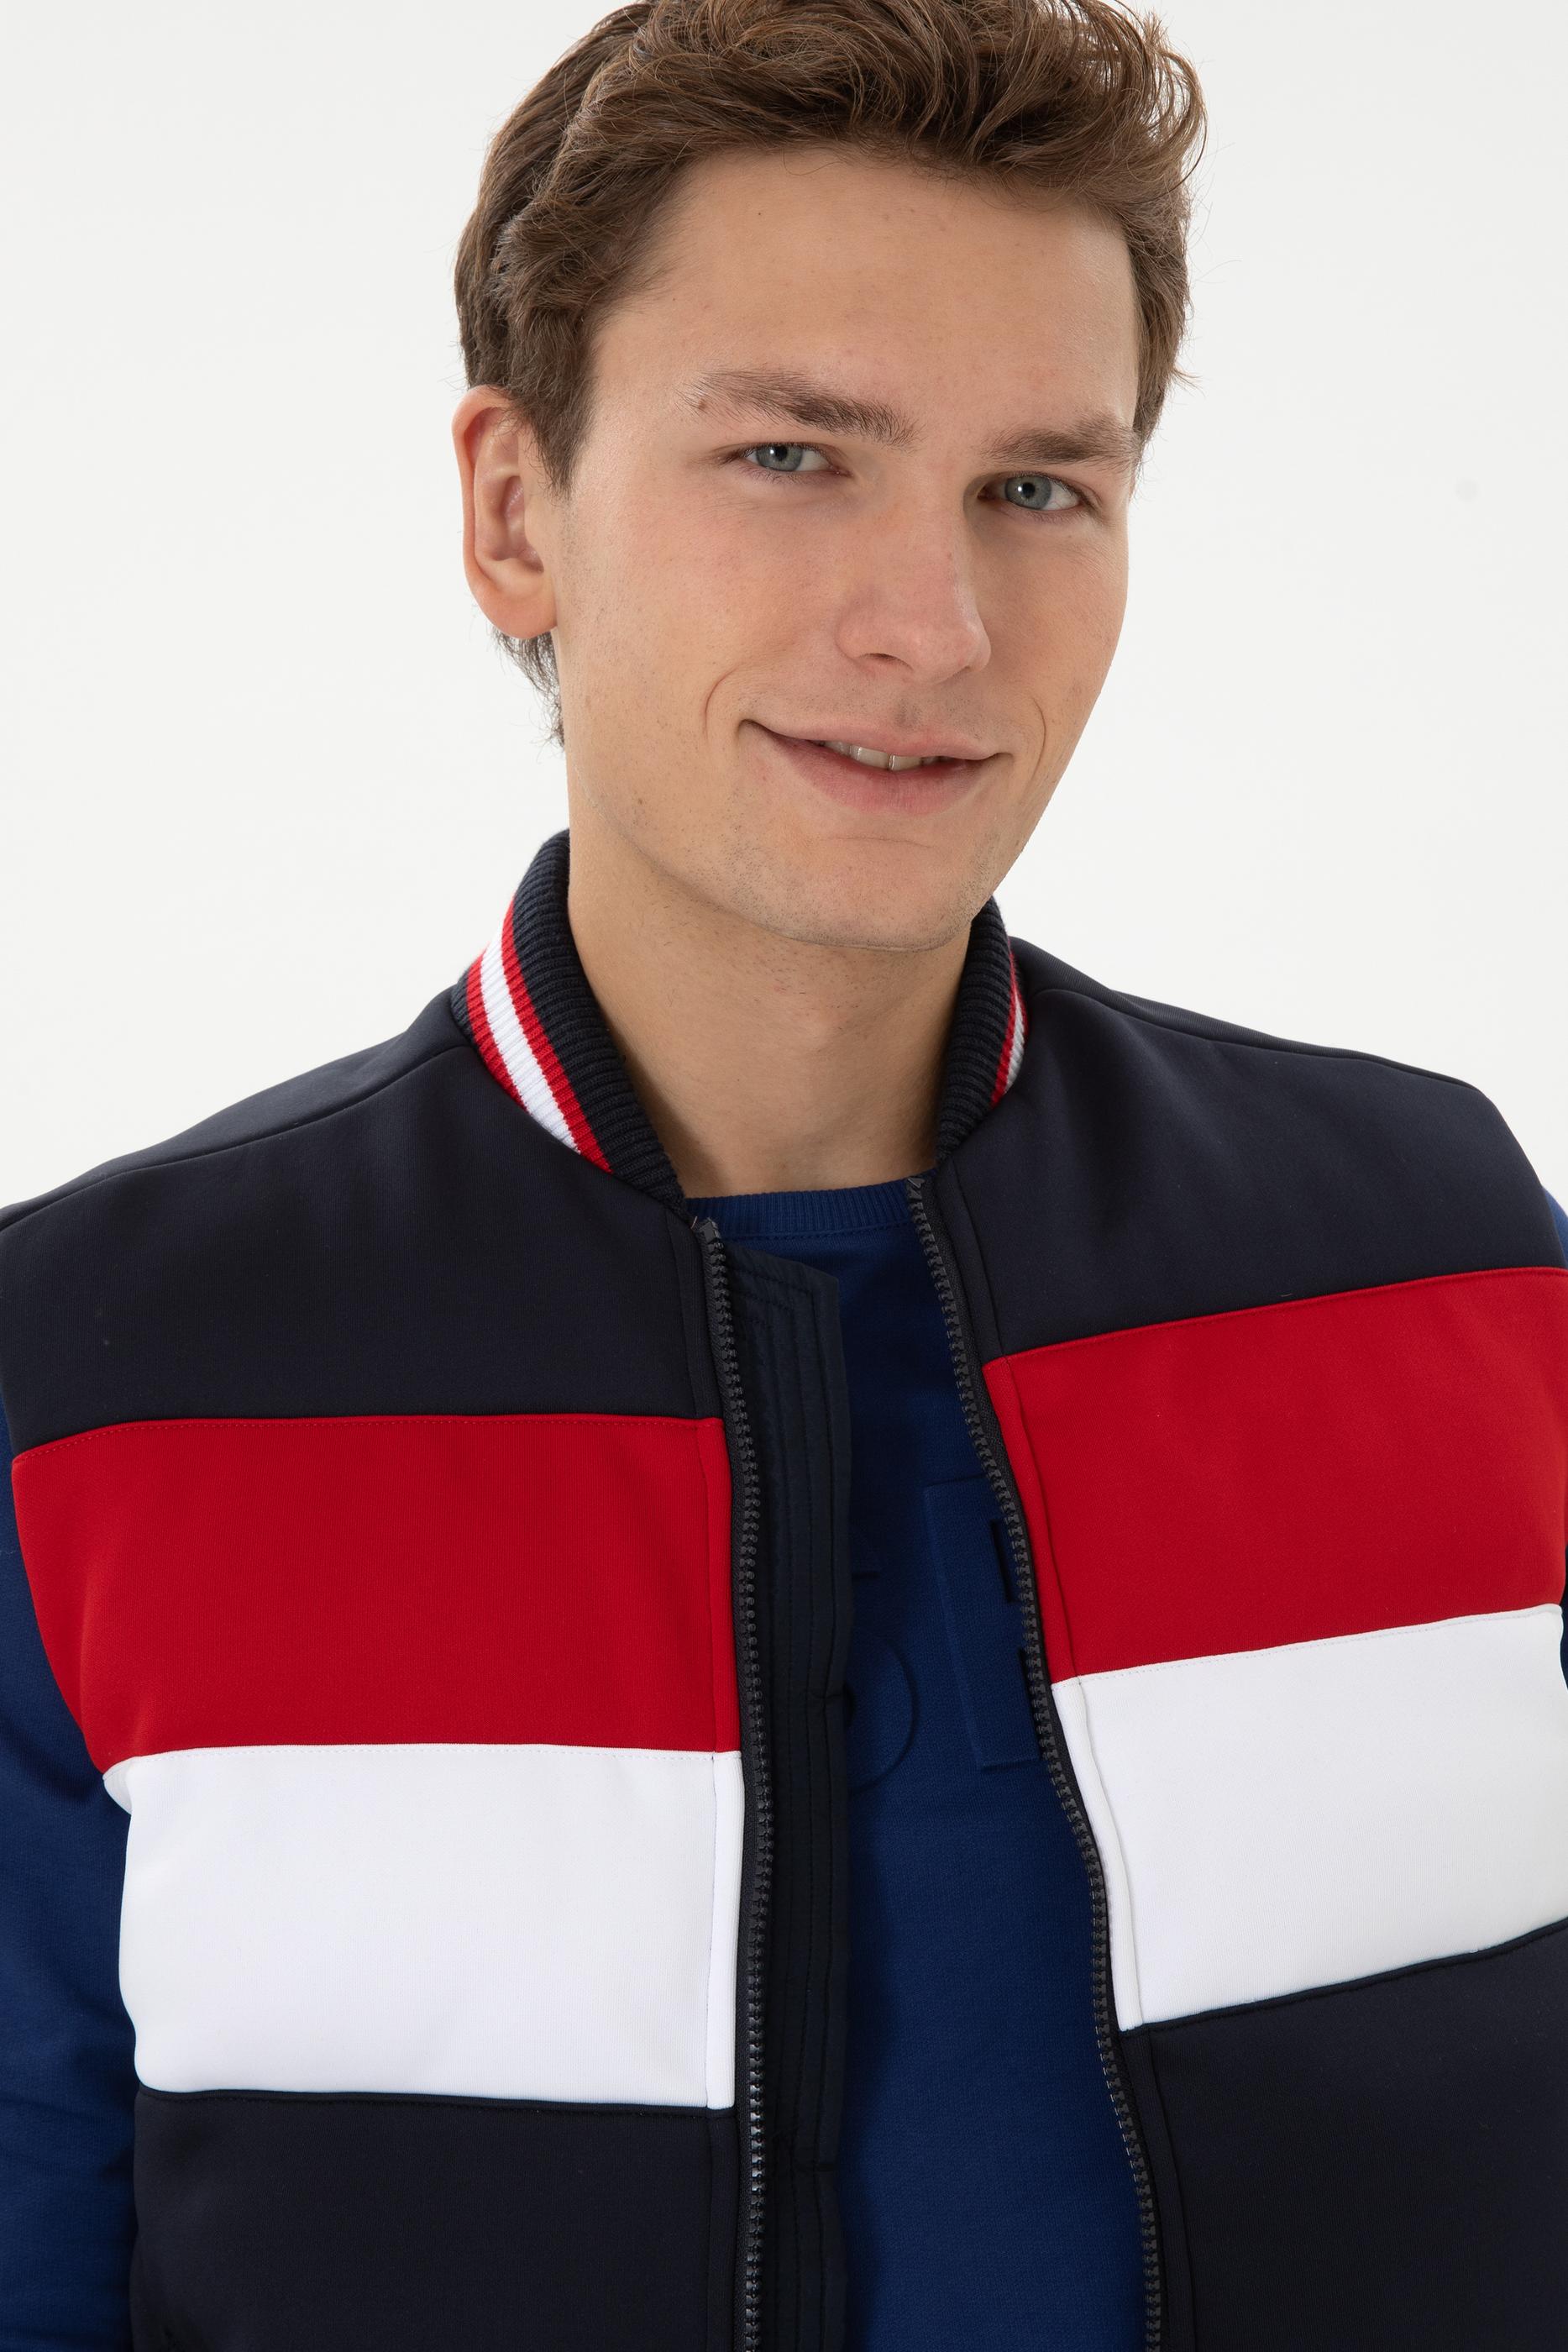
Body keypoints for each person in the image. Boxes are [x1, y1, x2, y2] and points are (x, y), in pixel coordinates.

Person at [3, 0, 1565, 2344]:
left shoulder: (1444, 1265)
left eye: (1036, 489)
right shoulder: (97, 1380)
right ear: (514, 512)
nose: (932, 629)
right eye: (790, 457)